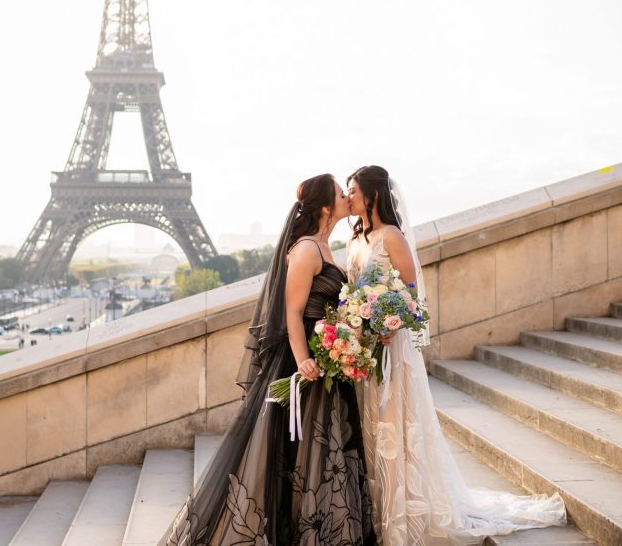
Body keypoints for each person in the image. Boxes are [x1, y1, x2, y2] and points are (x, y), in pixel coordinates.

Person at [346, 165, 567, 546]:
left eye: (352, 190)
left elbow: (412, 294)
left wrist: (388, 323)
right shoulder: (354, 242)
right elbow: (352, 295)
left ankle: (404, 519)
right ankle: (382, 511)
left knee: (395, 429)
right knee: (374, 431)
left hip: (391, 348)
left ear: (373, 195)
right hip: (365, 351)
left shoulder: (392, 237)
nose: (347, 198)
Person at [161, 174, 376, 545]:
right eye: (340, 194)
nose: (346, 196)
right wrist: (304, 360)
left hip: (327, 359)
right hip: (303, 363)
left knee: (318, 452)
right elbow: (292, 313)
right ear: (326, 207)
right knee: (301, 452)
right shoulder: (307, 248)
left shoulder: (325, 246)